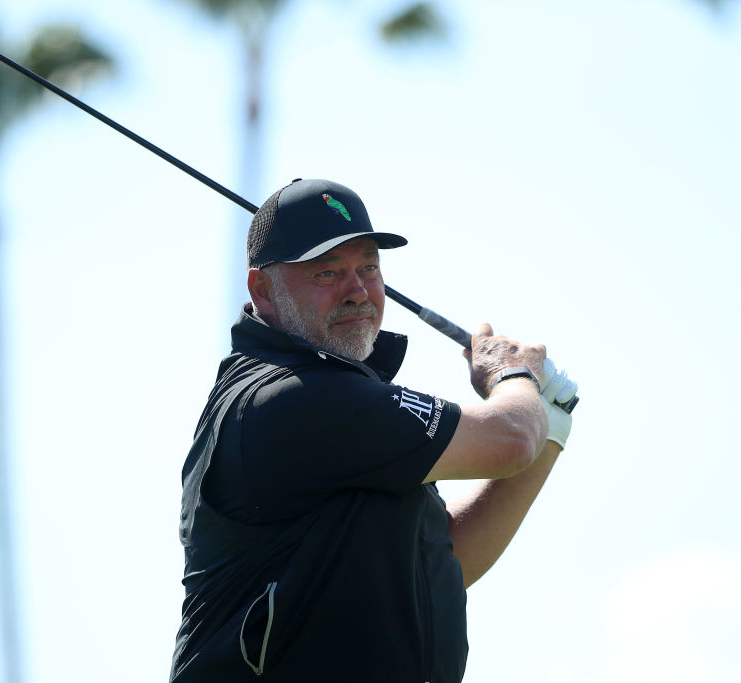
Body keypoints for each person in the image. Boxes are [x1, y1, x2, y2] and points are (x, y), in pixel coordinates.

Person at [169, 178, 577, 683]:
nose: (358, 292)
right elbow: (511, 438)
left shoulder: (335, 403)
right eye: (327, 272)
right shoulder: (292, 397)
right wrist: (512, 375)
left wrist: (550, 427)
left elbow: (438, 562)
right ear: (262, 291)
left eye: (369, 267)